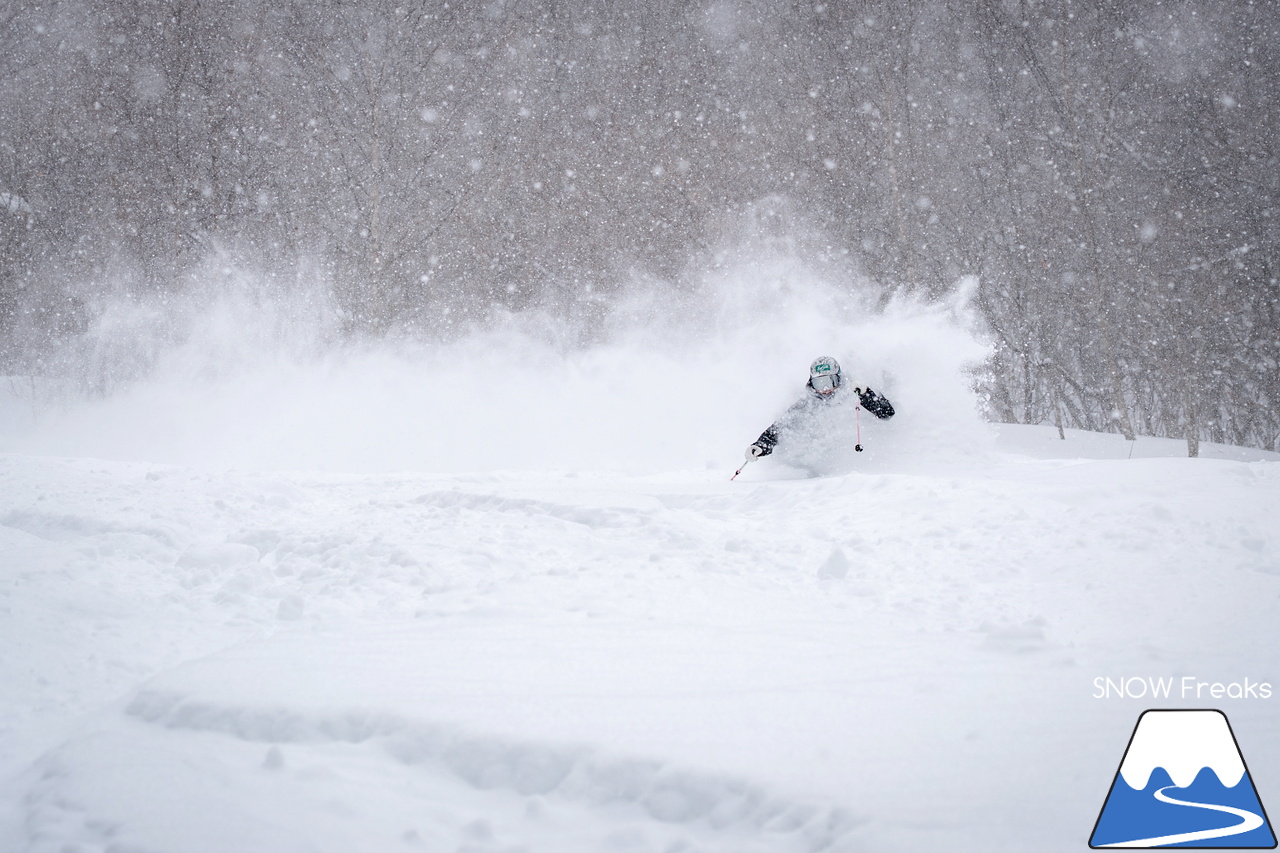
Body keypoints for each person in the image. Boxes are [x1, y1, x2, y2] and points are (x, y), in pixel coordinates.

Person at [745, 356, 894, 461]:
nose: (825, 389)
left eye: (829, 382)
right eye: (819, 383)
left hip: (865, 455)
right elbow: (780, 427)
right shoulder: (808, 402)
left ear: (838, 378)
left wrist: (865, 394)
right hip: (831, 458)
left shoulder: (854, 389)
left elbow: (887, 413)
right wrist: (760, 446)